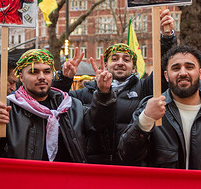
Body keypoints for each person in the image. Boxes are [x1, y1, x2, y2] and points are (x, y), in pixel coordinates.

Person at [69, 9, 177, 164]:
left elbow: (163, 68)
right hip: (95, 168)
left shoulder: (144, 88)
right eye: (115, 58)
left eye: (126, 59)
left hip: (131, 166)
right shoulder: (87, 92)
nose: (120, 62)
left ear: (133, 68)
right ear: (105, 65)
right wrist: (65, 79)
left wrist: (167, 37)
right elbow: (55, 100)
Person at [118, 45, 201, 170]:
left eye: (189, 67)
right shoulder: (149, 109)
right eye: (175, 68)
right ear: (166, 76)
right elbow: (127, 156)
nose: (183, 73)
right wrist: (145, 120)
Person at [0, 48, 115, 162]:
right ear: (21, 77)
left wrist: (104, 93)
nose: (41, 77)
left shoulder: (70, 106)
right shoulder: (7, 107)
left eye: (47, 72)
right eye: (33, 72)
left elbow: (98, 123)